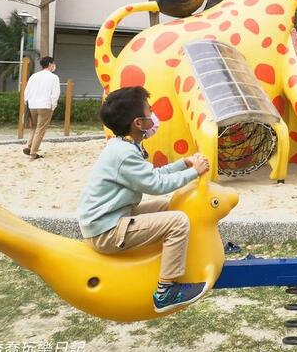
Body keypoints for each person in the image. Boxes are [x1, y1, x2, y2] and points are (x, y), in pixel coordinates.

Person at [77, 86, 211, 313]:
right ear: (138, 123)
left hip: (114, 218)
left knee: (169, 206)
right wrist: (193, 172)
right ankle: (165, 292)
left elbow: (153, 175)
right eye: (150, 112)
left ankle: (191, 249)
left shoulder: (124, 146)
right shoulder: (123, 153)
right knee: (177, 221)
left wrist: (183, 164)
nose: (154, 116)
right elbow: (156, 185)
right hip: (106, 231)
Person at [22, 56, 60, 160]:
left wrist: (27, 102)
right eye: (53, 64)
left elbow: (27, 91)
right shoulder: (54, 78)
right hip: (45, 105)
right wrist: (53, 105)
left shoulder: (34, 76)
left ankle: (28, 146)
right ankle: (33, 153)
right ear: (50, 64)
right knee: (41, 129)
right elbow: (55, 94)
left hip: (32, 105)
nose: (54, 66)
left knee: (34, 127)